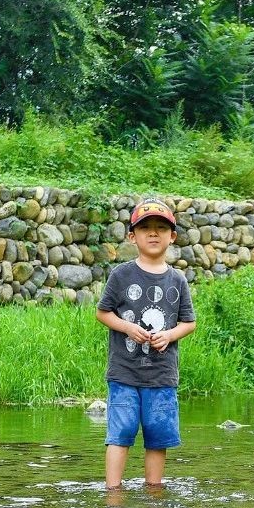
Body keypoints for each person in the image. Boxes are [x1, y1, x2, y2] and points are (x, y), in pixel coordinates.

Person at [95, 198, 196, 489]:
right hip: (124, 372)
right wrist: (127, 327)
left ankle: (154, 493)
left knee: (158, 434)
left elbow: (189, 322)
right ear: (132, 236)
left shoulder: (177, 280)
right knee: (121, 431)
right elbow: (103, 313)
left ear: (172, 236)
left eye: (161, 228)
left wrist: (169, 335)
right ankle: (112, 493)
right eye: (146, 228)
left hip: (162, 375)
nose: (153, 233)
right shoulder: (122, 275)